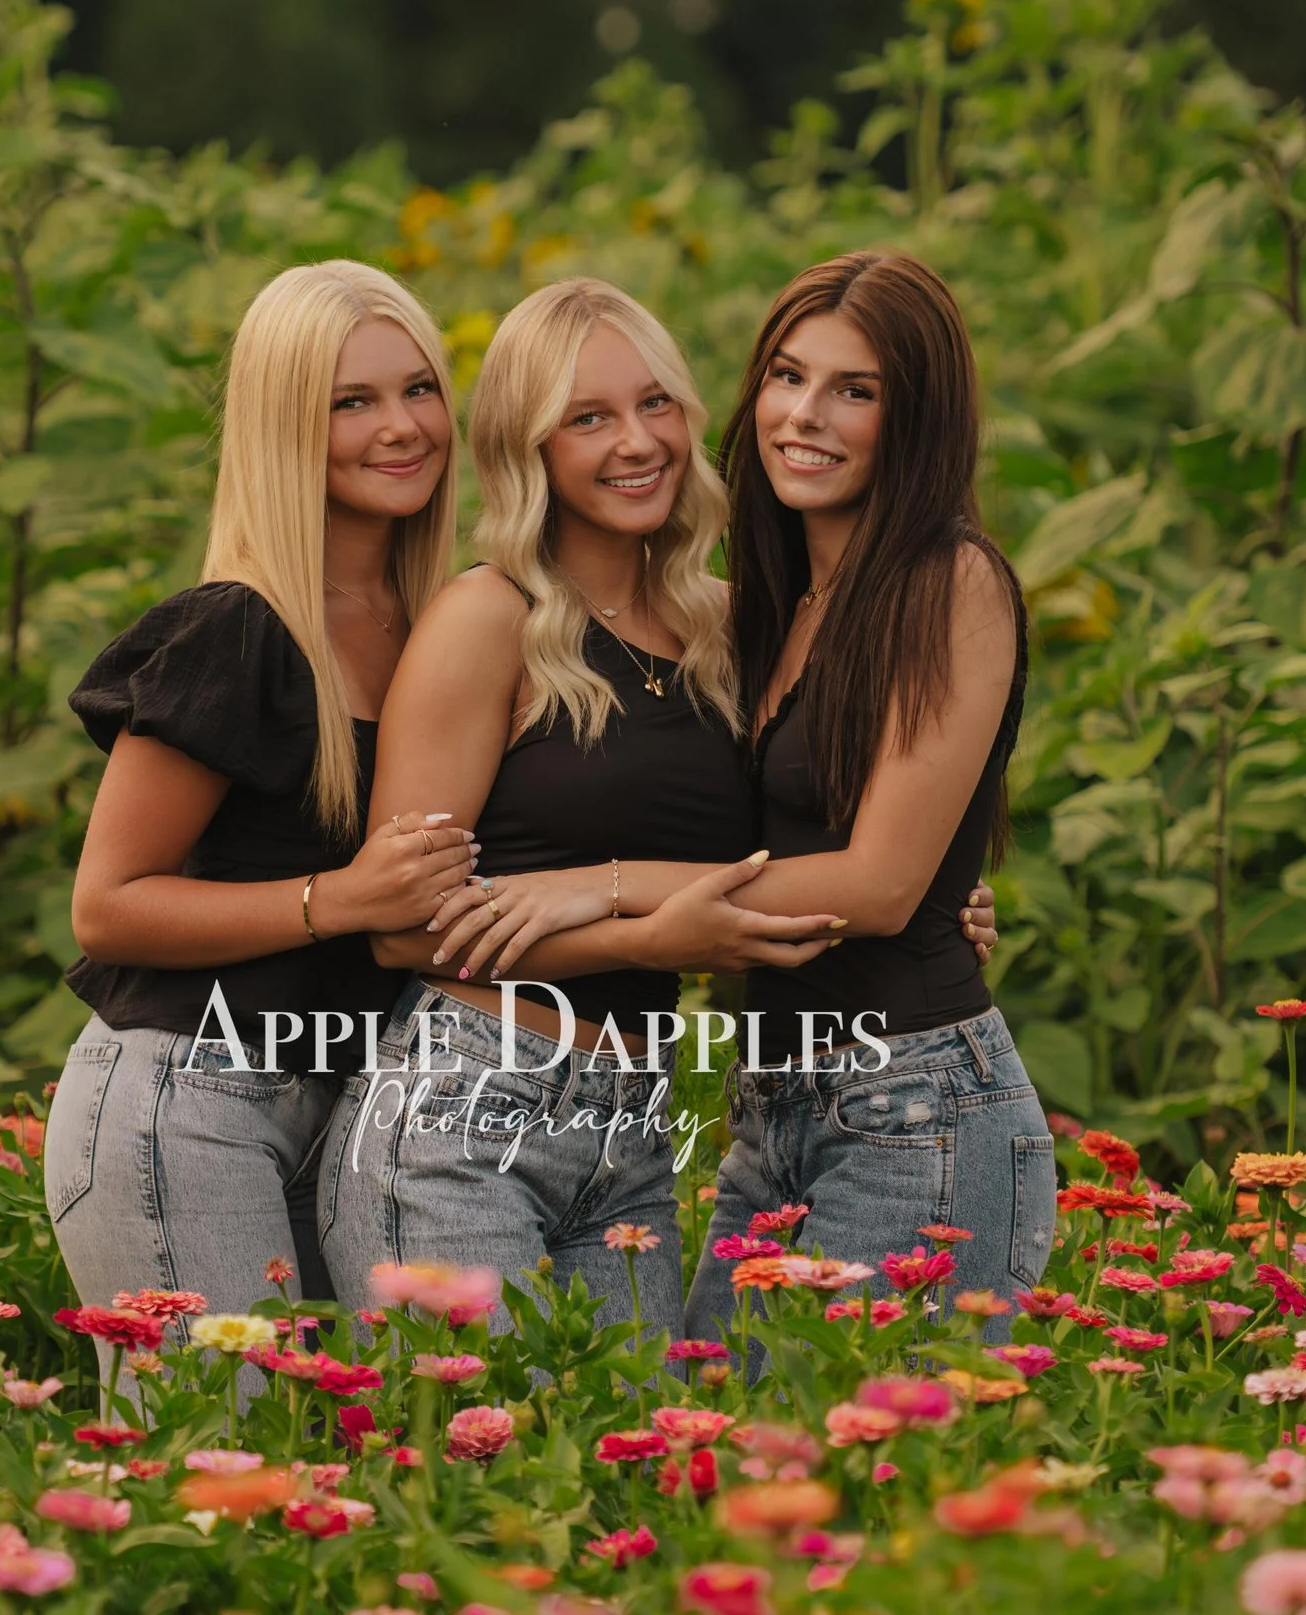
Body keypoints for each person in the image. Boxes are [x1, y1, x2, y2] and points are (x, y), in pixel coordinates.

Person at [408, 252, 1041, 1342]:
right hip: (780, 1111)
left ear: (919, 416)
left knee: (838, 1484)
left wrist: (595, 889)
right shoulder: (765, 611)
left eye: (857, 390)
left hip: (914, 1105)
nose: (805, 415)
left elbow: (880, 887)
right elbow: (798, 840)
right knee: (707, 1459)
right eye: (788, 377)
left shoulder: (949, 579)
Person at [315, 277, 824, 1332]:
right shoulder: (485, 617)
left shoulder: (731, 630)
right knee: (482, 1467)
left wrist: (928, 900)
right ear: (527, 448)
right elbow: (400, 926)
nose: (636, 442)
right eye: (586, 418)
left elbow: (786, 872)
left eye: (655, 404)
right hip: (458, 1116)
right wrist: (652, 938)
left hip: (632, 1133)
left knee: (621, 1482)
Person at [42, 261, 478, 1347]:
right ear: (285, 424)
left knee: (328, 1467)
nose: (401, 426)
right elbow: (107, 905)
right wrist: (338, 898)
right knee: (219, 1460)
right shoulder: (237, 629)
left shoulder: (444, 625)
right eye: (351, 401)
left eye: (419, 389)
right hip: (189, 1103)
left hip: (346, 1112)